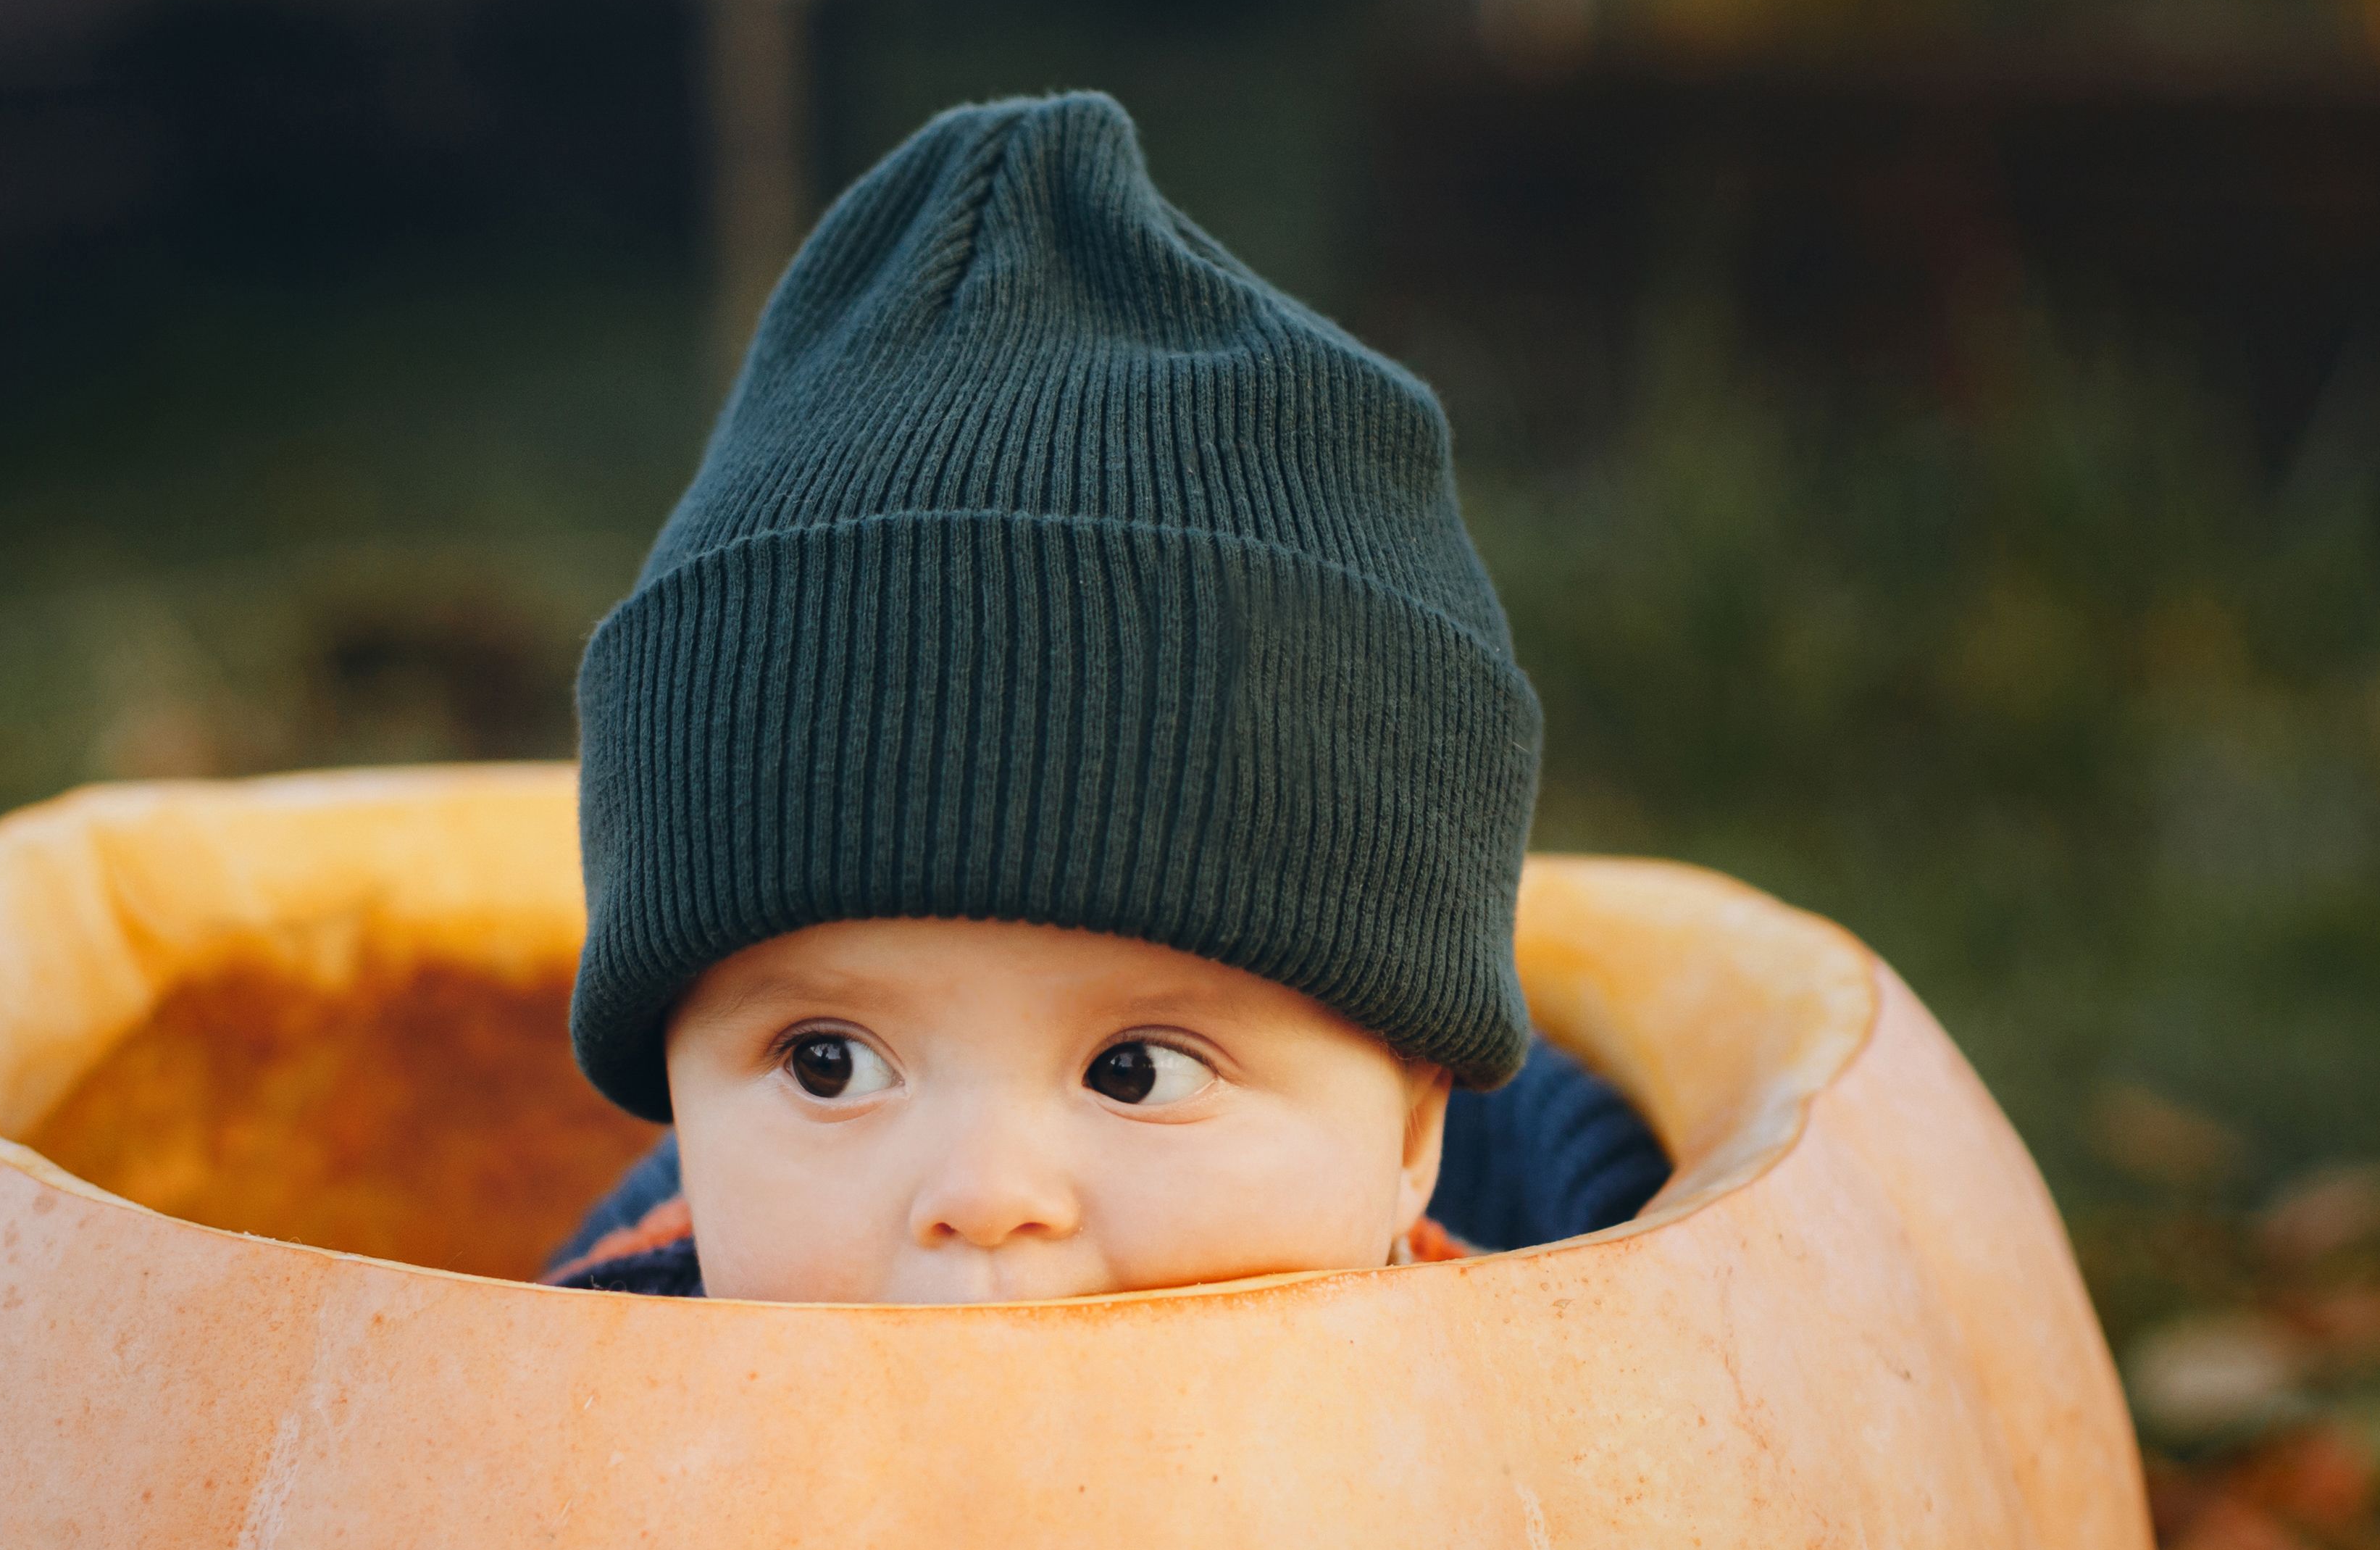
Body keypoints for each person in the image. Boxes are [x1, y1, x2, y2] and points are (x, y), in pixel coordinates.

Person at [545, 91, 1666, 1304]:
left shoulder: (1562, 1427)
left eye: (1137, 1070)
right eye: (828, 1065)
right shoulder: (565, 1413)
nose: (981, 1199)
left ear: (1407, 1145)